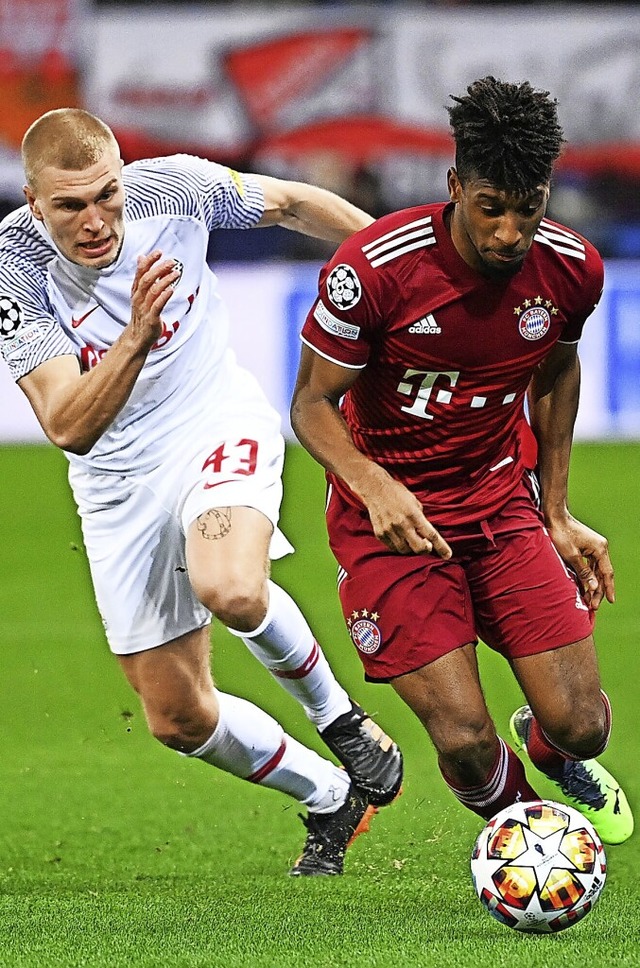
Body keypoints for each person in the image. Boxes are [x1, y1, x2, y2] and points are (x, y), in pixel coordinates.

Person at [0, 108, 404, 877]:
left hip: (211, 417)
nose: (96, 221)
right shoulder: (12, 270)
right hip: (114, 476)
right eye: (70, 206)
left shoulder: (175, 188)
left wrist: (396, 265)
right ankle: (331, 797)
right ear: (32, 199)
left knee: (231, 586)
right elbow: (67, 424)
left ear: (124, 177)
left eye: (106, 196)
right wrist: (134, 335)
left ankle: (343, 722)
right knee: (178, 717)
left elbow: (287, 201)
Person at [290, 76, 633, 845]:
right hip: (392, 522)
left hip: (499, 501)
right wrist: (374, 485)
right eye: (492, 208)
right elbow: (310, 406)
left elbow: (556, 371)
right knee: (467, 742)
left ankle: (549, 754)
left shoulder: (571, 269)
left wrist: (558, 512)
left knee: (582, 726)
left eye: (529, 208)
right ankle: (530, 840)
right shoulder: (375, 270)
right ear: (454, 187)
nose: (512, 233)